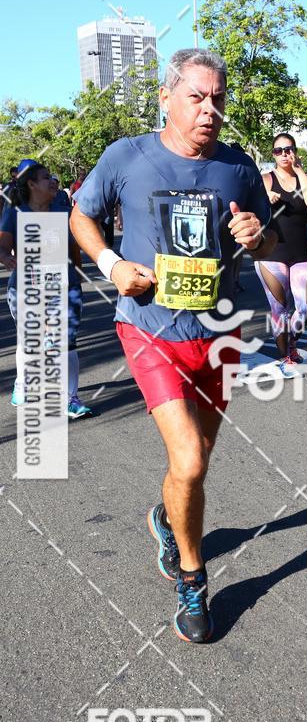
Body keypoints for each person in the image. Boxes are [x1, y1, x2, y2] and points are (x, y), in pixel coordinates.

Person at [70, 48, 277, 644]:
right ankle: (194, 578)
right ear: (167, 97)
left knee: (198, 464)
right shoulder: (126, 156)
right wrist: (111, 263)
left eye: (218, 99)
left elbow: (261, 247)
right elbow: (82, 216)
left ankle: (166, 516)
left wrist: (256, 237)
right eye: (197, 97)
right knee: (187, 460)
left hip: (220, 334)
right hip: (148, 330)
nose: (210, 110)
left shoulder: (238, 168)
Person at [0, 159, 92, 416]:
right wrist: (7, 258)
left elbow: (74, 243)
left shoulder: (63, 208)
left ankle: (70, 399)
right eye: (46, 178)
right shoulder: (16, 212)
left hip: (64, 286)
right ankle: (23, 384)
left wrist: (78, 268)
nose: (53, 181)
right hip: (26, 287)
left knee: (67, 341)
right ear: (31, 184)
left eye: (53, 177)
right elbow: (3, 245)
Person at [257, 132, 307, 377]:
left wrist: (300, 171)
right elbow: (248, 206)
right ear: (272, 155)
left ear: (294, 151)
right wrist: (264, 199)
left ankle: (290, 341)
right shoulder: (265, 180)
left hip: (299, 253)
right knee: (280, 310)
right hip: (270, 254)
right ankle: (286, 358)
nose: (284, 154)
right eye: (278, 150)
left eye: (288, 149)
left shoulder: (305, 178)